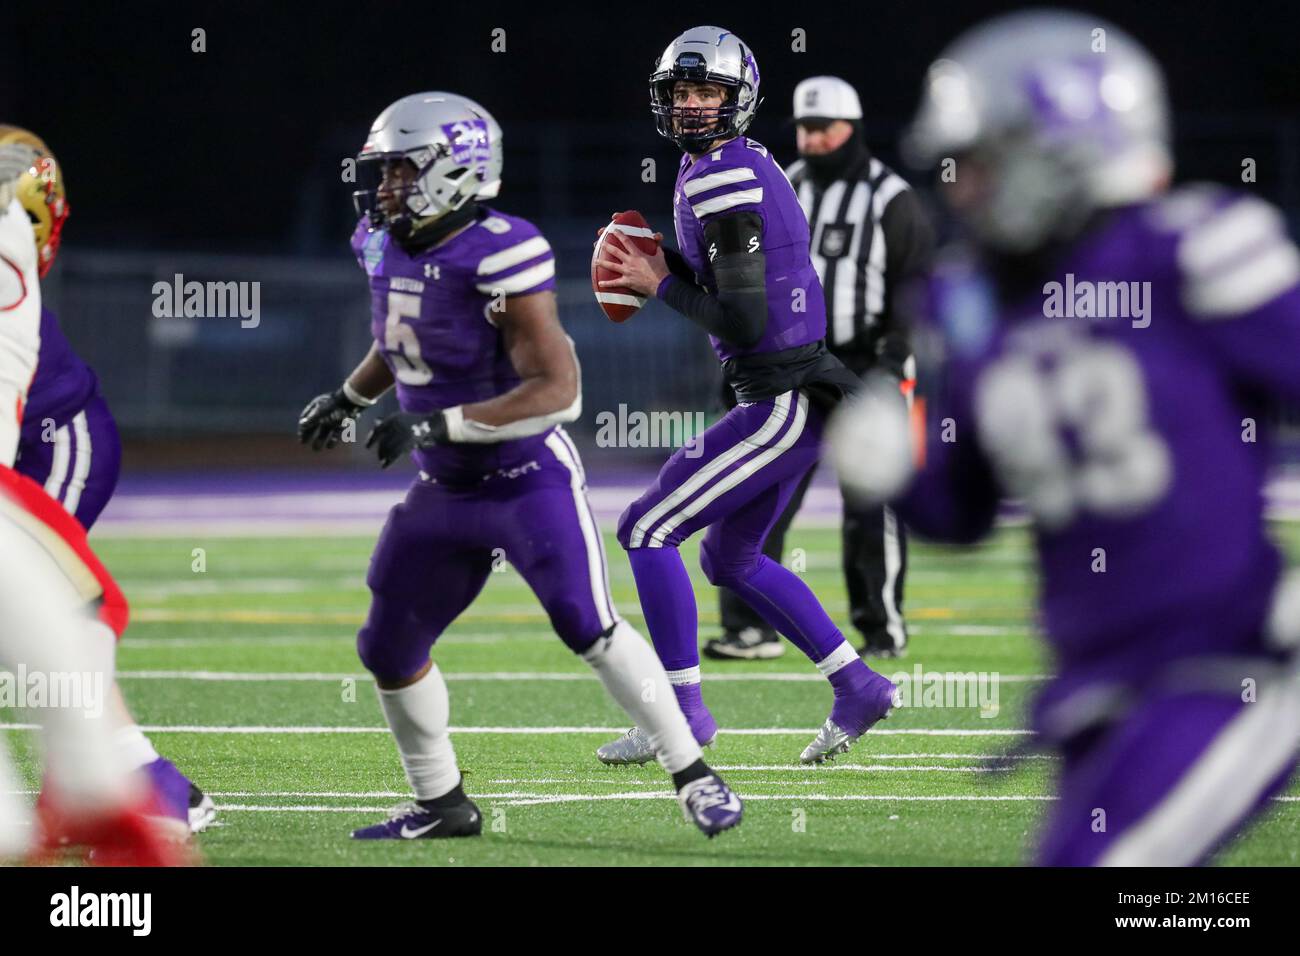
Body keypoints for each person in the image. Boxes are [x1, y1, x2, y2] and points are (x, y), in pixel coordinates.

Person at [829, 9, 1300, 864]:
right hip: (1102, 682)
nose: (959, 188)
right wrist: (893, 463)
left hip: (1231, 660)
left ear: (1060, 147)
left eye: (979, 163)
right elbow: (960, 513)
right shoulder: (971, 302)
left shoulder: (1184, 249)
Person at [298, 92, 742, 839]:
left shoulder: (501, 250)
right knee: (386, 645)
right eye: (385, 174)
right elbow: (399, 336)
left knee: (587, 625)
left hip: (522, 477)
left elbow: (557, 389)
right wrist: (347, 397)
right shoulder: (382, 243)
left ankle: (692, 772)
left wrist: (437, 420)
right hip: (444, 484)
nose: (385, 189)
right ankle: (442, 804)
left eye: (402, 172)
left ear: (452, 171)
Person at [594, 27, 898, 767]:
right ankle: (857, 686)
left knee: (646, 528)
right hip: (791, 390)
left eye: (708, 93)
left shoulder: (721, 175)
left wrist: (655, 281)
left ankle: (682, 719)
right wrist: (661, 258)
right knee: (730, 558)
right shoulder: (729, 162)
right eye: (683, 93)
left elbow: (743, 317)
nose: (694, 106)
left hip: (783, 395)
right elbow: (733, 288)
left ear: (738, 98)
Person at [0, 125, 215, 836]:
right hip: (27, 445)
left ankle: (149, 785)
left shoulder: (7, 274)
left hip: (56, 442)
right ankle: (87, 786)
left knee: (54, 612)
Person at [707, 76, 932, 661]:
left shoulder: (890, 198)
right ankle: (752, 628)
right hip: (792, 359)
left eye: (821, 127)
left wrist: (892, 361)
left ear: (850, 129)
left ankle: (881, 628)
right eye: (803, 128)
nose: (809, 138)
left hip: (867, 360)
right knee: (760, 490)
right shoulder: (786, 182)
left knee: (871, 500)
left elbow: (915, 291)